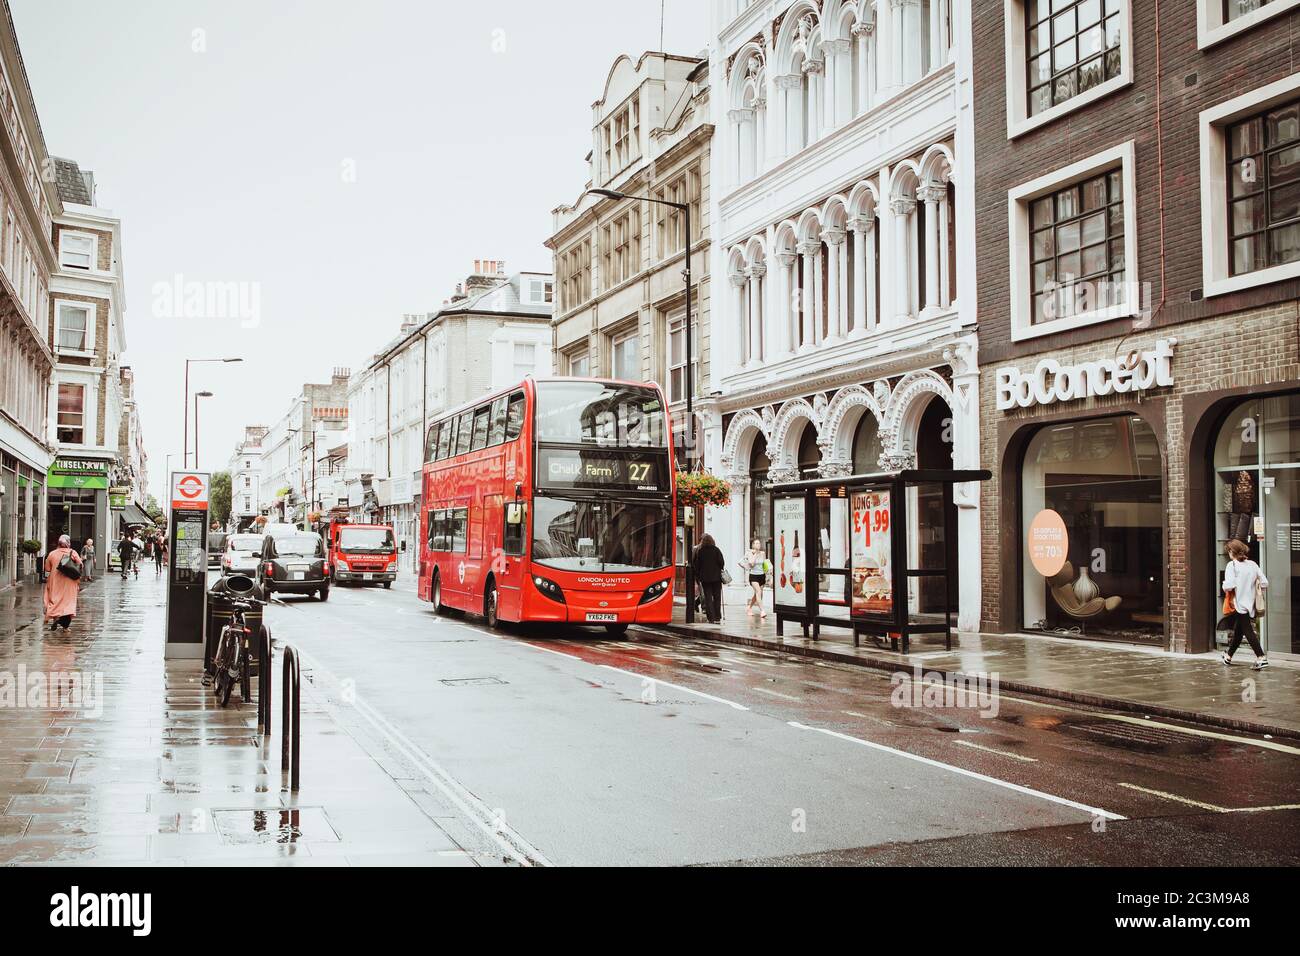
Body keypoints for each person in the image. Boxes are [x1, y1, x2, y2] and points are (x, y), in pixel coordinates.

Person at [1222, 538, 1269, 670]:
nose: (1228, 553)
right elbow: (1264, 583)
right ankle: (1228, 656)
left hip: (1239, 603)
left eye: (1229, 551)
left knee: (1248, 630)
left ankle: (1261, 657)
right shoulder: (1252, 565)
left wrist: (1224, 585)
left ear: (1232, 551)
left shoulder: (1232, 565)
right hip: (1251, 603)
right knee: (1239, 631)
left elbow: (1229, 586)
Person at [43, 535, 83, 630]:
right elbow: (80, 565)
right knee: (68, 602)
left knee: (55, 600)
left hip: (55, 581)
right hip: (70, 582)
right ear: (68, 543)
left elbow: (47, 569)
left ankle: (55, 618)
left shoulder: (52, 554)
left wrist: (47, 579)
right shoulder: (73, 552)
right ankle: (65, 626)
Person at [691, 533, 727, 624]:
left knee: (708, 598)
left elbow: (697, 565)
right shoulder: (716, 550)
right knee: (717, 597)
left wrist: (699, 575)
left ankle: (710, 618)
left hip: (705, 578)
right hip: (716, 578)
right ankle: (717, 617)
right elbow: (722, 563)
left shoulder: (701, 551)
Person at [741, 539, 770, 619]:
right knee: (758, 591)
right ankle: (762, 611)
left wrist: (768, 571)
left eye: (759, 543)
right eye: (756, 543)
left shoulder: (763, 553)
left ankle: (749, 607)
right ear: (753, 545)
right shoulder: (750, 553)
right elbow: (751, 564)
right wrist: (755, 554)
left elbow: (764, 564)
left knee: (758, 594)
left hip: (762, 575)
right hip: (753, 576)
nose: (758, 545)